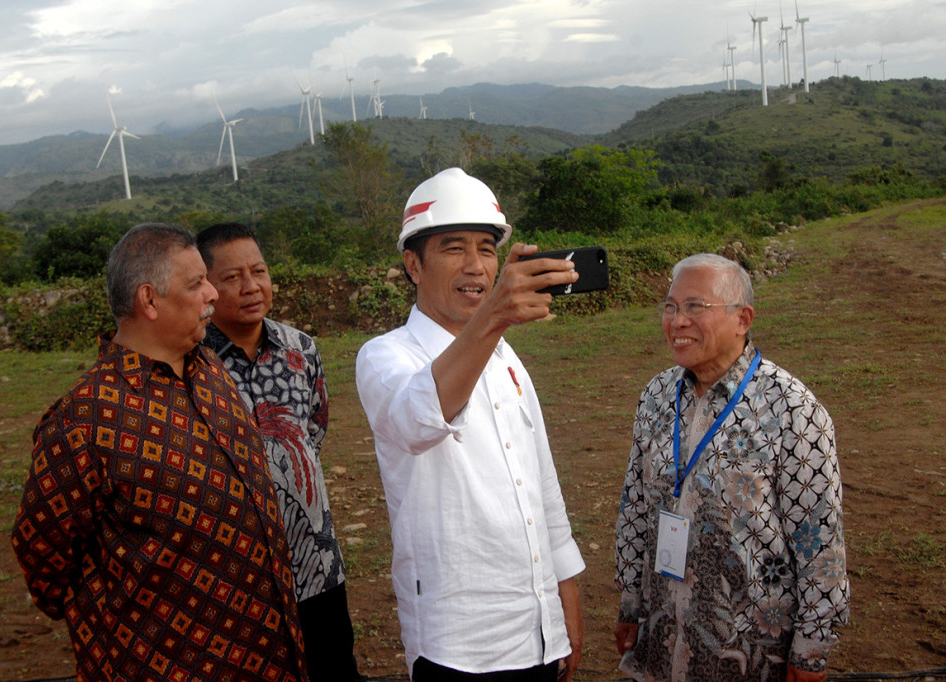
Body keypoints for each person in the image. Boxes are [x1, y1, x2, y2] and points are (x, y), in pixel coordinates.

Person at [11, 223, 307, 682]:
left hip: (267, 652)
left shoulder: (210, 370)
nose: (212, 293)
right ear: (149, 300)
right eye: (197, 283)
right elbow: (45, 561)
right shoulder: (83, 420)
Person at [355, 167, 586, 681]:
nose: (476, 266)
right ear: (413, 265)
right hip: (457, 644)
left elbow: (541, 480)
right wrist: (493, 318)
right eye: (453, 248)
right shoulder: (385, 356)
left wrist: (564, 588)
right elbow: (418, 420)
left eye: (486, 248)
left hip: (536, 627)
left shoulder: (505, 356)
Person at [614, 253, 849, 682]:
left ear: (742, 319)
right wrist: (631, 605)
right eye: (671, 306)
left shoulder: (793, 409)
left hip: (749, 652)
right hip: (663, 636)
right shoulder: (656, 395)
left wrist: (811, 651)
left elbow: (819, 542)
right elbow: (635, 507)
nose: (678, 321)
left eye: (695, 306)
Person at [196, 222, 363, 682]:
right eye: (232, 277)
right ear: (206, 286)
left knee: (334, 668)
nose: (251, 287)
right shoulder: (193, 364)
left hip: (315, 561)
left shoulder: (301, 349)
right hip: (236, 573)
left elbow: (313, 430)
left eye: (259, 271)